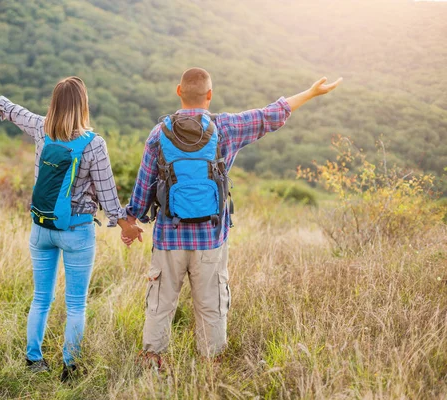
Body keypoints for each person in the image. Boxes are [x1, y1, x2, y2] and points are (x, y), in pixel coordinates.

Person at [123, 68, 342, 368]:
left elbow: (143, 188)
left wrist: (129, 220)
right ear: (209, 95)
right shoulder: (226, 127)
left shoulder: (158, 134)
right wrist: (311, 93)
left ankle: (152, 361)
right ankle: (210, 366)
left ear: (178, 91)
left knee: (160, 303)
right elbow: (271, 116)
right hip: (211, 239)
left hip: (168, 239)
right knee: (212, 305)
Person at [0, 73, 142, 380]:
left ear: (54, 103)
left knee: (41, 297)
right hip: (77, 231)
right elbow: (109, 197)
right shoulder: (94, 144)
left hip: (41, 228)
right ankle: (70, 367)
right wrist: (126, 226)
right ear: (83, 105)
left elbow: (6, 106)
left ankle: (33, 359)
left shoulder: (40, 128)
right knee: (75, 304)